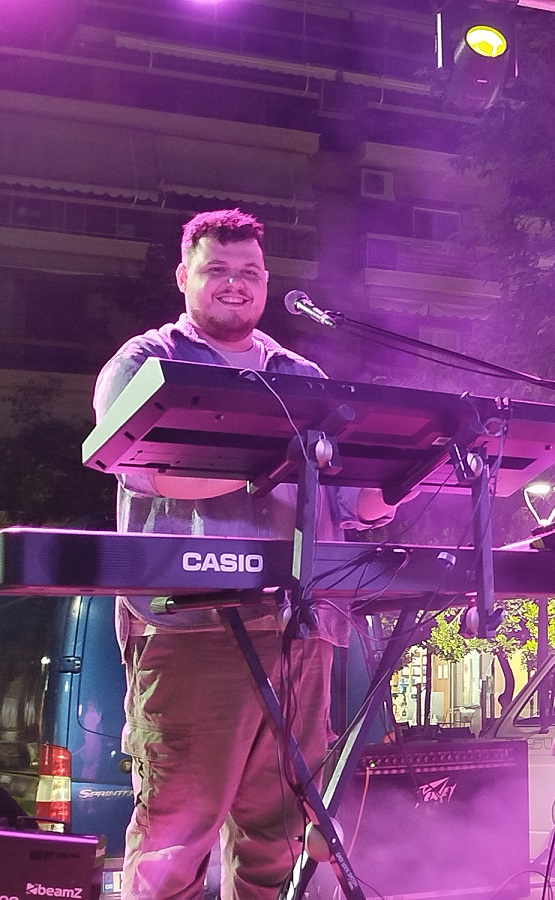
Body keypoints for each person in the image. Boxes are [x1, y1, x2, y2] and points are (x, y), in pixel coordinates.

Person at [93, 209, 399, 899]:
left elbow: (344, 503)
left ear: (267, 281)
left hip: (301, 623)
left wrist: (398, 478)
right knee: (177, 827)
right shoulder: (147, 360)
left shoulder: (301, 373)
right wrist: (268, 463)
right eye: (218, 270)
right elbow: (143, 468)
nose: (236, 283)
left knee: (279, 830)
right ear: (184, 276)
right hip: (191, 623)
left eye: (250, 273)